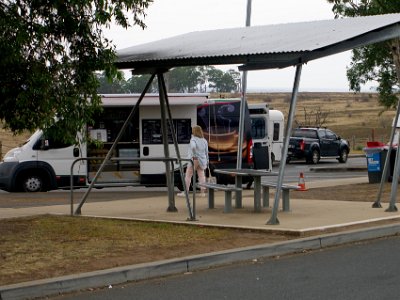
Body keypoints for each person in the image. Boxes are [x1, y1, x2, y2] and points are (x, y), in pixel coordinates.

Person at [178, 125, 209, 197]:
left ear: (194, 132)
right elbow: (206, 152)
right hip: (202, 160)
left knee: (188, 175)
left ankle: (186, 192)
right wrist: (207, 160)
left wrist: (195, 154)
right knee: (201, 175)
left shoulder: (193, 139)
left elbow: (193, 147)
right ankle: (202, 192)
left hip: (194, 159)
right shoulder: (204, 140)